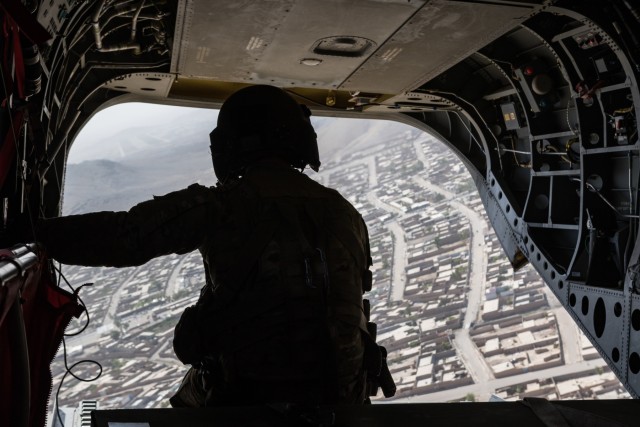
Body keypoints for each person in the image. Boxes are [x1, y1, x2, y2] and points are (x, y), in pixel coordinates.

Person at [37, 85, 395, 407]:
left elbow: (124, 237)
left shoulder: (221, 206)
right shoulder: (343, 211)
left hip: (250, 401)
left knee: (189, 395)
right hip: (343, 397)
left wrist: (33, 234)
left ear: (230, 145)